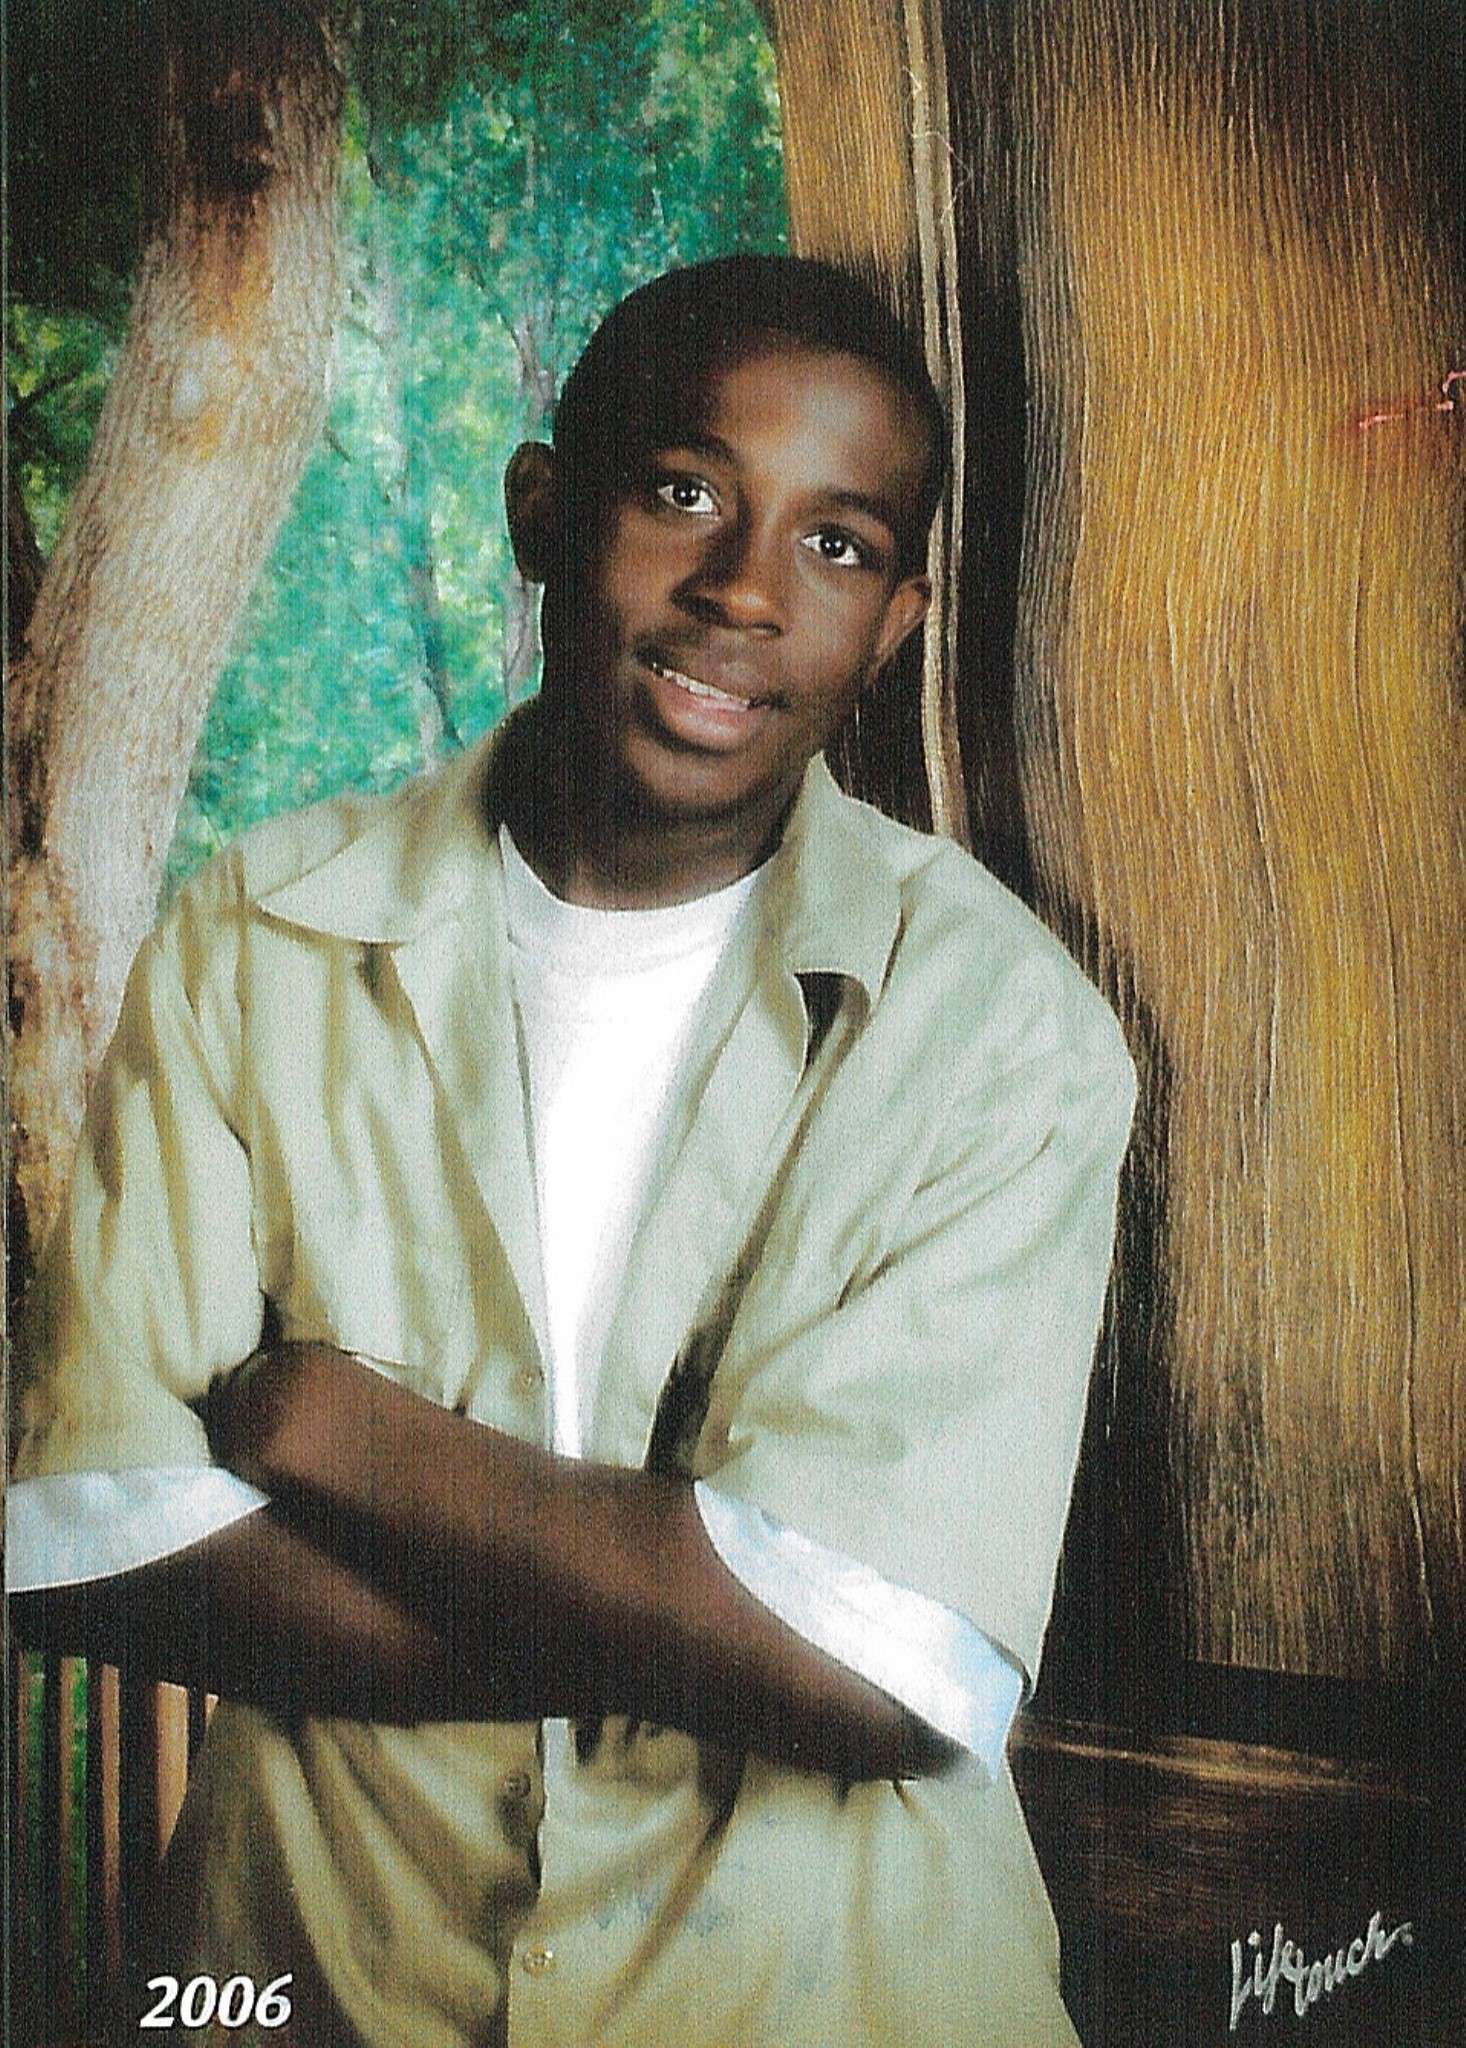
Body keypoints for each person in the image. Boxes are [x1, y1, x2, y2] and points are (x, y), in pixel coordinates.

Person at [10, 255, 1135, 2046]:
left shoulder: (999, 1030)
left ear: (893, 624)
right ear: (542, 511)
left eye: (836, 544)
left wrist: (344, 1436)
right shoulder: (255, 934)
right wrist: (704, 1622)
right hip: (307, 1980)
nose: (745, 590)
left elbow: (875, 1668)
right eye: (682, 492)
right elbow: (99, 1539)